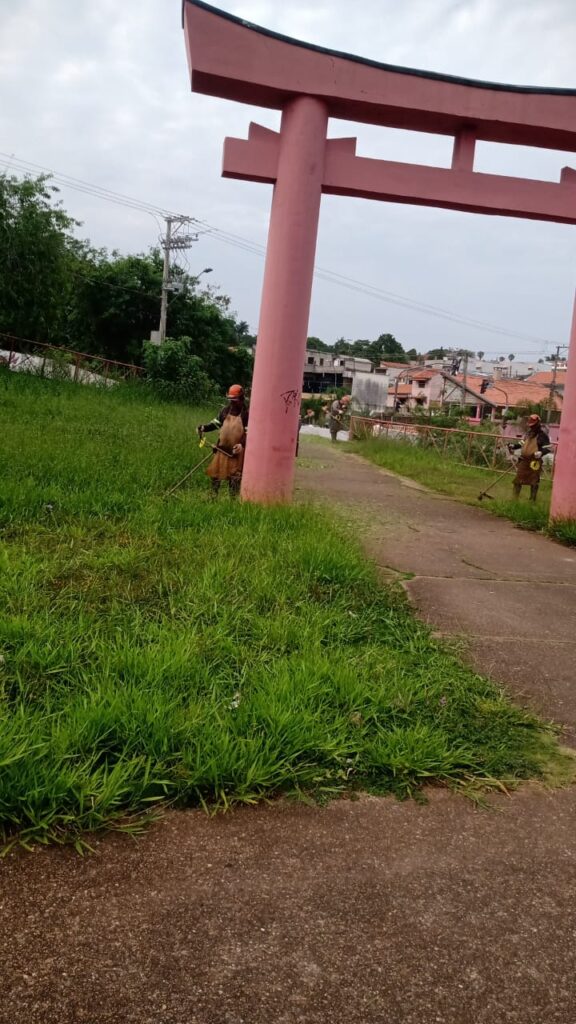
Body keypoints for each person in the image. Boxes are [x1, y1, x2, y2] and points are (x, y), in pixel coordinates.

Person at [197, 384, 248, 496]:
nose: (232, 403)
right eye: (230, 400)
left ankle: (232, 503)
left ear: (241, 398)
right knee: (215, 476)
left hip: (236, 453)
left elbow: (249, 434)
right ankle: (213, 498)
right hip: (221, 449)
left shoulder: (246, 414)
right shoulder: (225, 411)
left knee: (234, 479)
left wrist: (242, 445)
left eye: (235, 400)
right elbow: (215, 424)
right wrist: (204, 427)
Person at [510, 413, 552, 502]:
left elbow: (548, 448)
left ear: (537, 424)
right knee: (518, 480)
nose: (531, 427)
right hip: (524, 461)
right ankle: (514, 500)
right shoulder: (528, 434)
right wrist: (514, 446)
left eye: (533, 426)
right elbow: (522, 443)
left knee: (534, 482)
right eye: (530, 426)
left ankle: (532, 501)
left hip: (534, 462)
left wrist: (541, 452)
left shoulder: (542, 435)